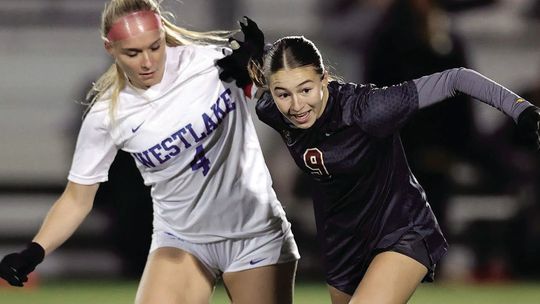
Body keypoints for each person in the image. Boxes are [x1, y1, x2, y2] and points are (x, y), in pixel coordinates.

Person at [0, 1, 300, 303]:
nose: (147, 62)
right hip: (182, 240)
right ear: (110, 48)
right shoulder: (108, 114)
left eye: (155, 47)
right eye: (133, 52)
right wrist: (34, 251)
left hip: (255, 232)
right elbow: (78, 199)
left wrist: (263, 62)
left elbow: (295, 97)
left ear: (163, 34)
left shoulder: (214, 65)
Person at [218, 27, 540, 303]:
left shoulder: (369, 110)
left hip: (400, 227)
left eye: (305, 90)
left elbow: (457, 78)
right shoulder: (271, 110)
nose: (297, 105)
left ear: (324, 79)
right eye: (283, 94)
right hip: (341, 242)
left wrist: (519, 109)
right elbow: (258, 81)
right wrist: (252, 65)